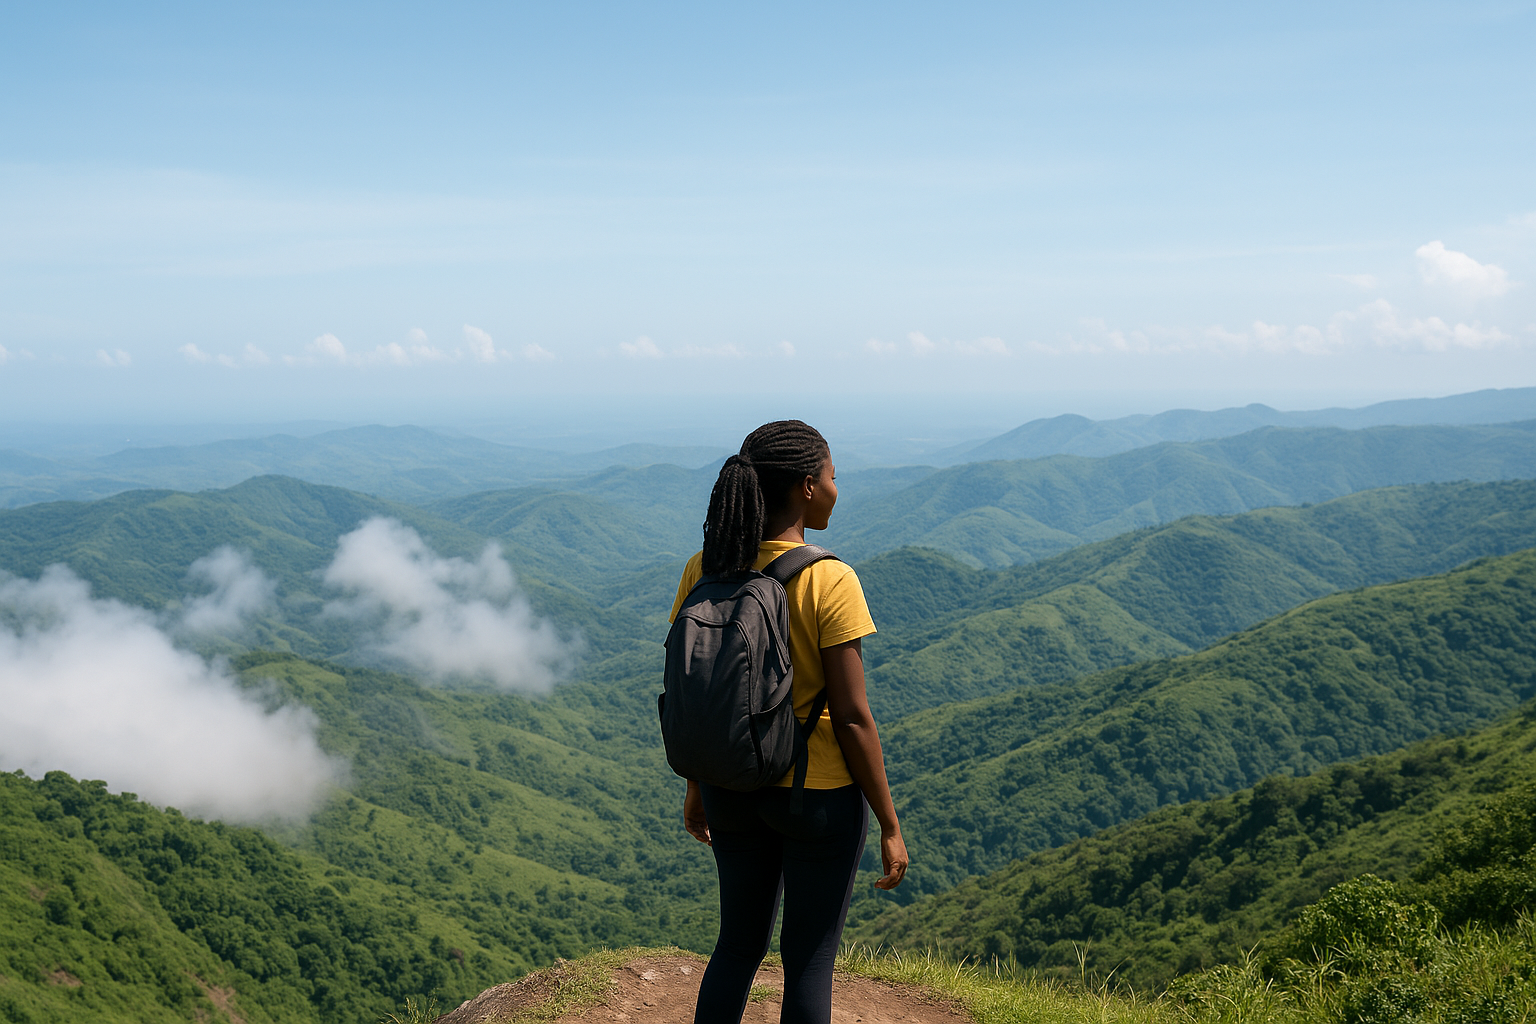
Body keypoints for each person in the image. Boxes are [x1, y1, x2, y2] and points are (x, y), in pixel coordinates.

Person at [668, 419, 909, 1024]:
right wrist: (888, 821)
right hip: (817, 796)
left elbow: (699, 697)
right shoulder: (830, 578)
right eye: (832, 476)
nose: (836, 487)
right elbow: (853, 717)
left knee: (737, 945)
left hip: (732, 787)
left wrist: (699, 788)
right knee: (807, 959)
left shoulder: (705, 571)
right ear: (806, 486)